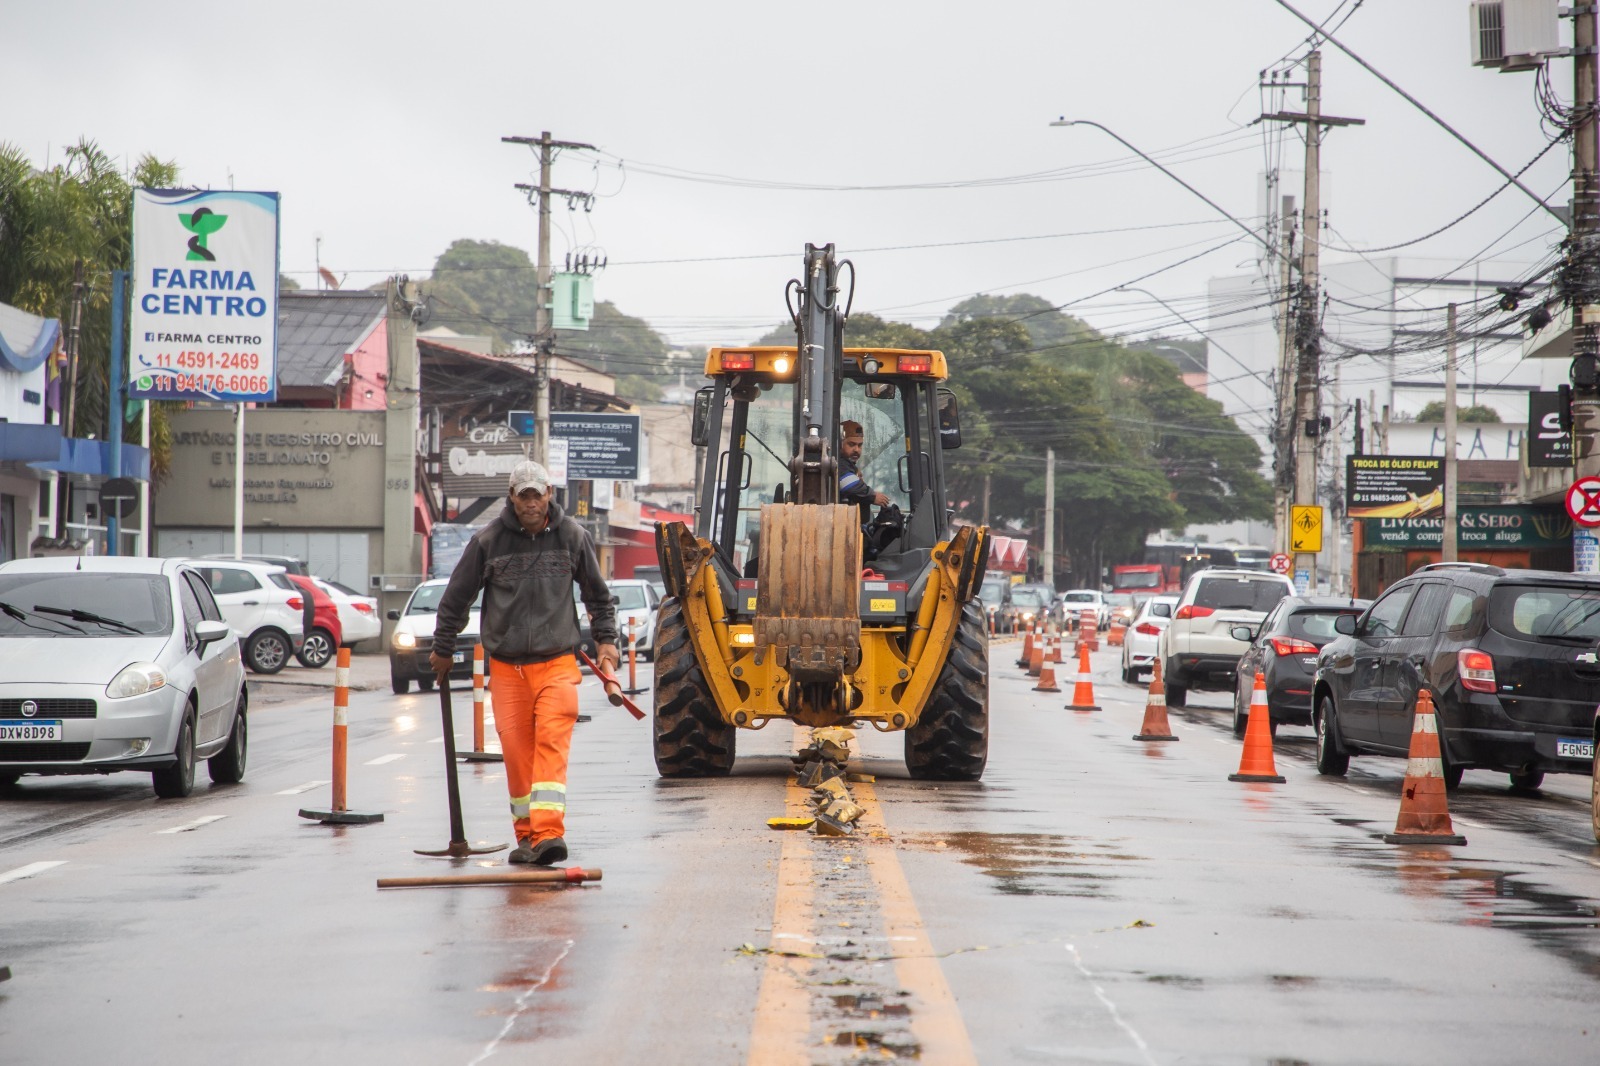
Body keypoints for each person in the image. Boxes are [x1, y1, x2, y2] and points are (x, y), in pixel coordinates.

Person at [430, 459, 618, 867]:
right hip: (507, 669)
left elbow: (598, 597)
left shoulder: (573, 536)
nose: (531, 503)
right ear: (512, 498)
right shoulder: (487, 542)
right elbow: (456, 598)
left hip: (557, 664)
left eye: (538, 494)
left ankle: (550, 832)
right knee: (517, 757)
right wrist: (443, 648)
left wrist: (607, 642)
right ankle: (528, 837)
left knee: (551, 741)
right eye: (523, 495)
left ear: (549, 494)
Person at [839, 420, 890, 517]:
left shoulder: (849, 466)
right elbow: (850, 486)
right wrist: (872, 496)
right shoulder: (839, 464)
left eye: (860, 445)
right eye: (851, 444)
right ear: (840, 444)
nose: (856, 450)